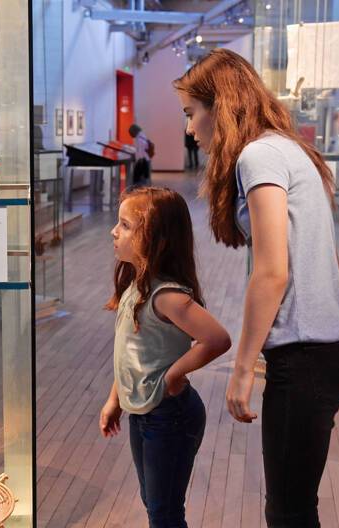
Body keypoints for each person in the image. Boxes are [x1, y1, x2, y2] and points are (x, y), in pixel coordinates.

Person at [174, 48, 339, 527]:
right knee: (294, 504)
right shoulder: (285, 147)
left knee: (289, 512)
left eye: (192, 114)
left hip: (307, 356)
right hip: (328, 349)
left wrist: (240, 370)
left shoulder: (258, 155)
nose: (191, 129)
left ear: (222, 105)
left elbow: (273, 271)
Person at [99, 186, 232, 528]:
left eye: (125, 225)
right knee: (154, 503)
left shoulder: (166, 295)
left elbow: (216, 339)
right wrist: (115, 399)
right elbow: (131, 355)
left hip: (169, 415)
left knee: (165, 511)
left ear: (155, 238)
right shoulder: (138, 284)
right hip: (144, 413)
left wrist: (174, 374)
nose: (115, 231)